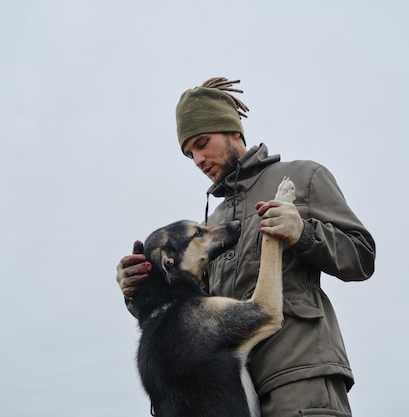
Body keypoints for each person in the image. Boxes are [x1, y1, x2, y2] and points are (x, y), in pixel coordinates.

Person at [117, 77, 376, 417]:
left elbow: (361, 257)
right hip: (228, 394)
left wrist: (303, 232)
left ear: (233, 131)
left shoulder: (303, 176)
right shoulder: (217, 222)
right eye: (189, 153)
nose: (197, 159)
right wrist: (139, 289)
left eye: (202, 142)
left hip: (300, 381)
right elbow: (190, 309)